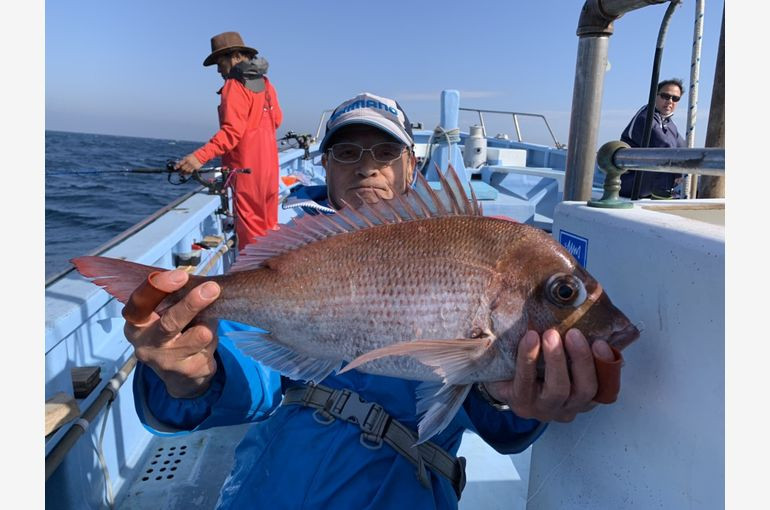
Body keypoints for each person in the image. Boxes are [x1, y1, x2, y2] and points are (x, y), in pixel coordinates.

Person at [125, 92, 623, 509]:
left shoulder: (475, 243)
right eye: (347, 153)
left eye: (384, 152)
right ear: (325, 165)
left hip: (402, 484)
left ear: (411, 164)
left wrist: (506, 392)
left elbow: (490, 411)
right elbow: (245, 366)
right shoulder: (298, 247)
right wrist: (193, 377)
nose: (367, 167)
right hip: (273, 477)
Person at [175, 31, 283, 251]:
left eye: (219, 62)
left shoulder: (234, 85)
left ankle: (255, 281)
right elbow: (277, 120)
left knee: (251, 238)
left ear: (234, 57)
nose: (218, 69)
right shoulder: (266, 84)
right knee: (270, 230)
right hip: (270, 171)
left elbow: (232, 132)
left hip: (246, 173)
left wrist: (198, 157)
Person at [619, 78, 687, 199]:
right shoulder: (645, 117)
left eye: (675, 98)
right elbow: (663, 147)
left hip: (656, 186)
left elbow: (684, 149)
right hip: (633, 184)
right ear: (655, 96)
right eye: (665, 96)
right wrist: (679, 171)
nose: (670, 101)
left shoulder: (670, 125)